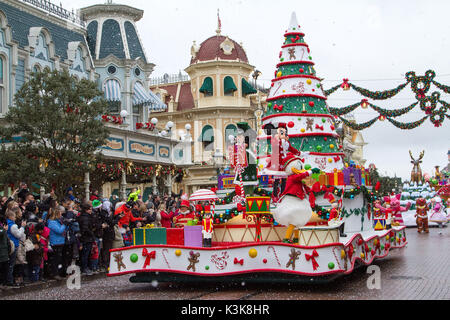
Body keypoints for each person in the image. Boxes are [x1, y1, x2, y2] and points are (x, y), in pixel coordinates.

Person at [6, 208, 25, 287]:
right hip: (13, 245)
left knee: (10, 264)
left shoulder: (7, 223)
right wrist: (22, 227)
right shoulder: (13, 225)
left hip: (9, 245)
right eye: (14, 217)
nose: (15, 218)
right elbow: (18, 235)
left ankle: (9, 279)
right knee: (12, 264)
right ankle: (10, 280)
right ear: (10, 217)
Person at [47, 207, 66, 280]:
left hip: (60, 242)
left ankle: (58, 272)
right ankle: (54, 273)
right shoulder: (52, 222)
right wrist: (64, 225)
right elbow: (59, 231)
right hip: (55, 242)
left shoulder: (58, 221)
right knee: (55, 259)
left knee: (59, 259)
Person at [77, 201, 96, 275]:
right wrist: (91, 234)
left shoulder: (85, 216)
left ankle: (85, 267)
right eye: (90, 209)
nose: (91, 211)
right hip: (86, 238)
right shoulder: (85, 217)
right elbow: (85, 228)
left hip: (86, 237)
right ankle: (84, 268)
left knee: (86, 253)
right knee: (85, 254)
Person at [0, 222, 10, 287]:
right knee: (3, 270)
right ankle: (3, 283)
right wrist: (4, 230)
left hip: (4, 253)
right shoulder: (2, 230)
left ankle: (4, 283)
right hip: (2, 254)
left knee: (5, 269)